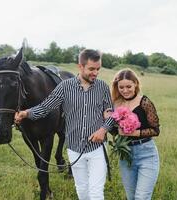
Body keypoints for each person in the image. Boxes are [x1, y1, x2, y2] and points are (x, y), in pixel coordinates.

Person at [15, 49, 114, 200]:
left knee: (95, 192)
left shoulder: (103, 88)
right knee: (82, 191)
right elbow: (46, 107)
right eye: (91, 69)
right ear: (80, 67)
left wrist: (103, 129)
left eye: (98, 69)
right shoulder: (64, 87)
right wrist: (26, 113)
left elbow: (110, 113)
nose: (95, 73)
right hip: (74, 149)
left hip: (97, 148)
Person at [107, 69, 160, 200]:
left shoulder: (144, 102)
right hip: (126, 156)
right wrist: (107, 120)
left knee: (142, 197)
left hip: (147, 154)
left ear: (135, 84)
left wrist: (135, 132)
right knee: (131, 197)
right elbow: (115, 132)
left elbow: (155, 130)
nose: (125, 90)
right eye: (121, 87)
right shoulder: (116, 104)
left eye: (129, 86)